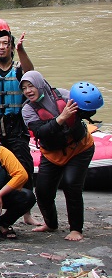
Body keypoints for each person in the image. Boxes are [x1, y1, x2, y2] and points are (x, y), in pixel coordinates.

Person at [0, 21, 39, 225]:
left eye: (5, 43)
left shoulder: (19, 69)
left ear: (10, 47)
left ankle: (26, 213)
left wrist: (21, 50)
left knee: (24, 167)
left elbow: (31, 73)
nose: (1, 47)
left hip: (15, 125)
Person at [21, 71, 95, 241]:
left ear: (40, 84)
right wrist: (62, 117)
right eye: (24, 88)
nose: (28, 91)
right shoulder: (27, 110)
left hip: (79, 148)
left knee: (71, 185)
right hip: (52, 153)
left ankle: (76, 229)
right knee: (43, 191)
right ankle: (51, 224)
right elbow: (41, 132)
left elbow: (85, 113)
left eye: (31, 86)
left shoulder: (63, 94)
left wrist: (88, 105)